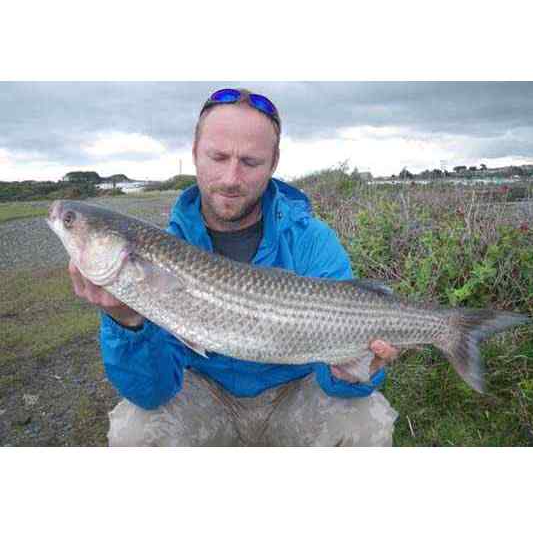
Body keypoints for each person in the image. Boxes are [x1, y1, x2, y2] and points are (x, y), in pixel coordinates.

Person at [69, 87, 399, 446]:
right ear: (195, 154)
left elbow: (343, 382)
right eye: (218, 157)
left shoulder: (313, 241)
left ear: (273, 164)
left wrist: (352, 373)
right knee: (134, 432)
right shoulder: (167, 246)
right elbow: (151, 392)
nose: (230, 178)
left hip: (293, 390)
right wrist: (126, 319)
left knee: (366, 422)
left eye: (250, 162)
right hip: (205, 394)